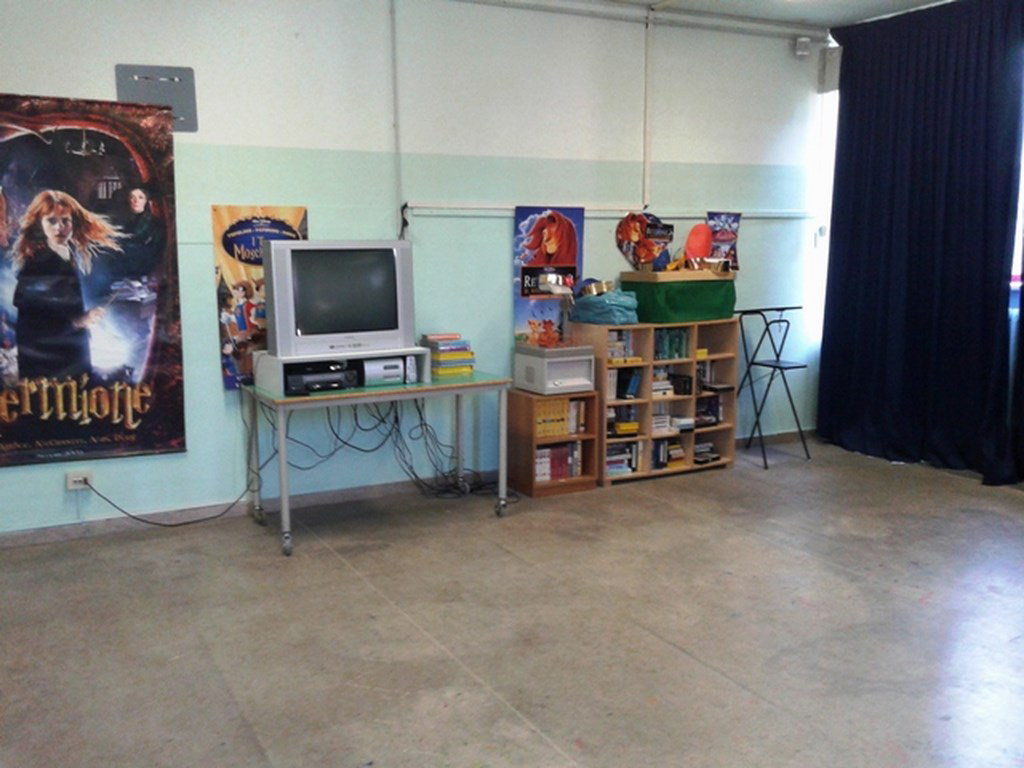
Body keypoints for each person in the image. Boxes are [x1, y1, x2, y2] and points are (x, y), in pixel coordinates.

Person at [9, 189, 121, 379]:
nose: (59, 228)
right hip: (47, 364)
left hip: (71, 353)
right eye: (51, 221)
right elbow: (31, 325)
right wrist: (79, 321)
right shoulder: (36, 265)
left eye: (65, 221)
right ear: (40, 224)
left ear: (73, 223)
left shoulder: (69, 253)